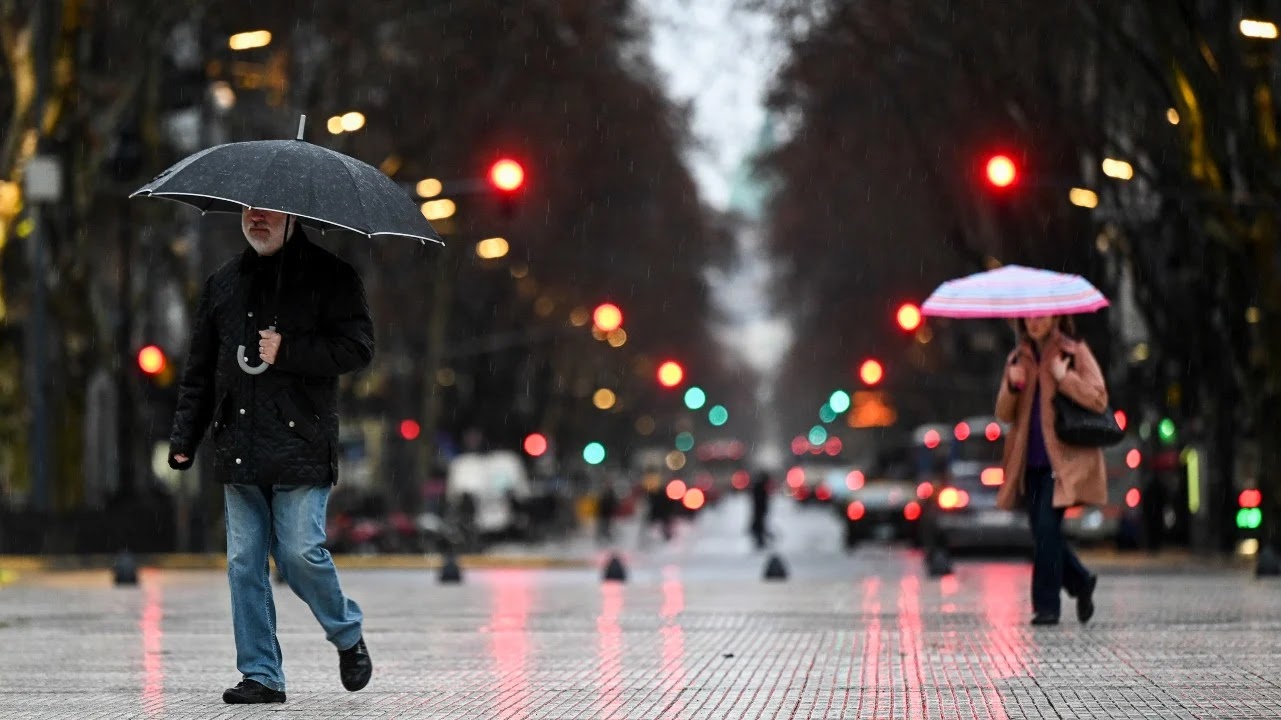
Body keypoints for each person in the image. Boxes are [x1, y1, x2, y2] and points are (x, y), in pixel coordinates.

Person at [168, 206, 375, 704]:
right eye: (248, 210)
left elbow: (359, 348)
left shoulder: (332, 276)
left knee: (300, 553)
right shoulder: (223, 283)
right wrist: (184, 440)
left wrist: (291, 350)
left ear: (294, 216)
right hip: (238, 444)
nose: (255, 219)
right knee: (244, 563)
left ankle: (347, 634)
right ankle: (261, 673)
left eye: (268, 211)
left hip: (301, 443)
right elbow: (200, 369)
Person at [994, 315, 1106, 626]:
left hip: (1062, 464)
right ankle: (1081, 582)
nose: (1034, 321)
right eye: (1028, 316)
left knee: (1045, 531)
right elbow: (1003, 413)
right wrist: (1013, 387)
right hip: (1029, 464)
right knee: (1044, 534)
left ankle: (1046, 607)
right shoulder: (1018, 357)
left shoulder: (1074, 352)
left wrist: (1064, 377)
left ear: (1056, 316)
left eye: (1041, 315)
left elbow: (1098, 399)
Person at [749, 470, 772, 550]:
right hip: (759, 510)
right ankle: (760, 542)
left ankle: (760, 541)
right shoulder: (760, 487)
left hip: (759, 510)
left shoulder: (759, 486)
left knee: (760, 525)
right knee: (759, 525)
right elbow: (760, 500)